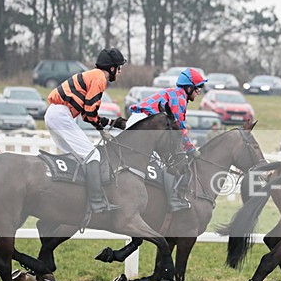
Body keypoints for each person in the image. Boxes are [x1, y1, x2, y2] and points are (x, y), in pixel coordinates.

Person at [45, 48, 128, 214]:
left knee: (76, 157)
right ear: (111, 68)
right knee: (93, 155)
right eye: (118, 68)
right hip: (61, 115)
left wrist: (111, 122)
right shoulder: (99, 78)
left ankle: (70, 197)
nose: (119, 73)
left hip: (55, 114)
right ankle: (96, 201)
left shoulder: (92, 75)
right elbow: (90, 114)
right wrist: (101, 128)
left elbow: (86, 115)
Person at [128, 67, 207, 211]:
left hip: (144, 122)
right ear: (189, 88)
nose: (199, 91)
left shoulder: (179, 95)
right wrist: (191, 149)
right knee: (168, 162)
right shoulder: (179, 98)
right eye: (198, 87)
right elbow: (179, 130)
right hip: (143, 123)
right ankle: (172, 200)